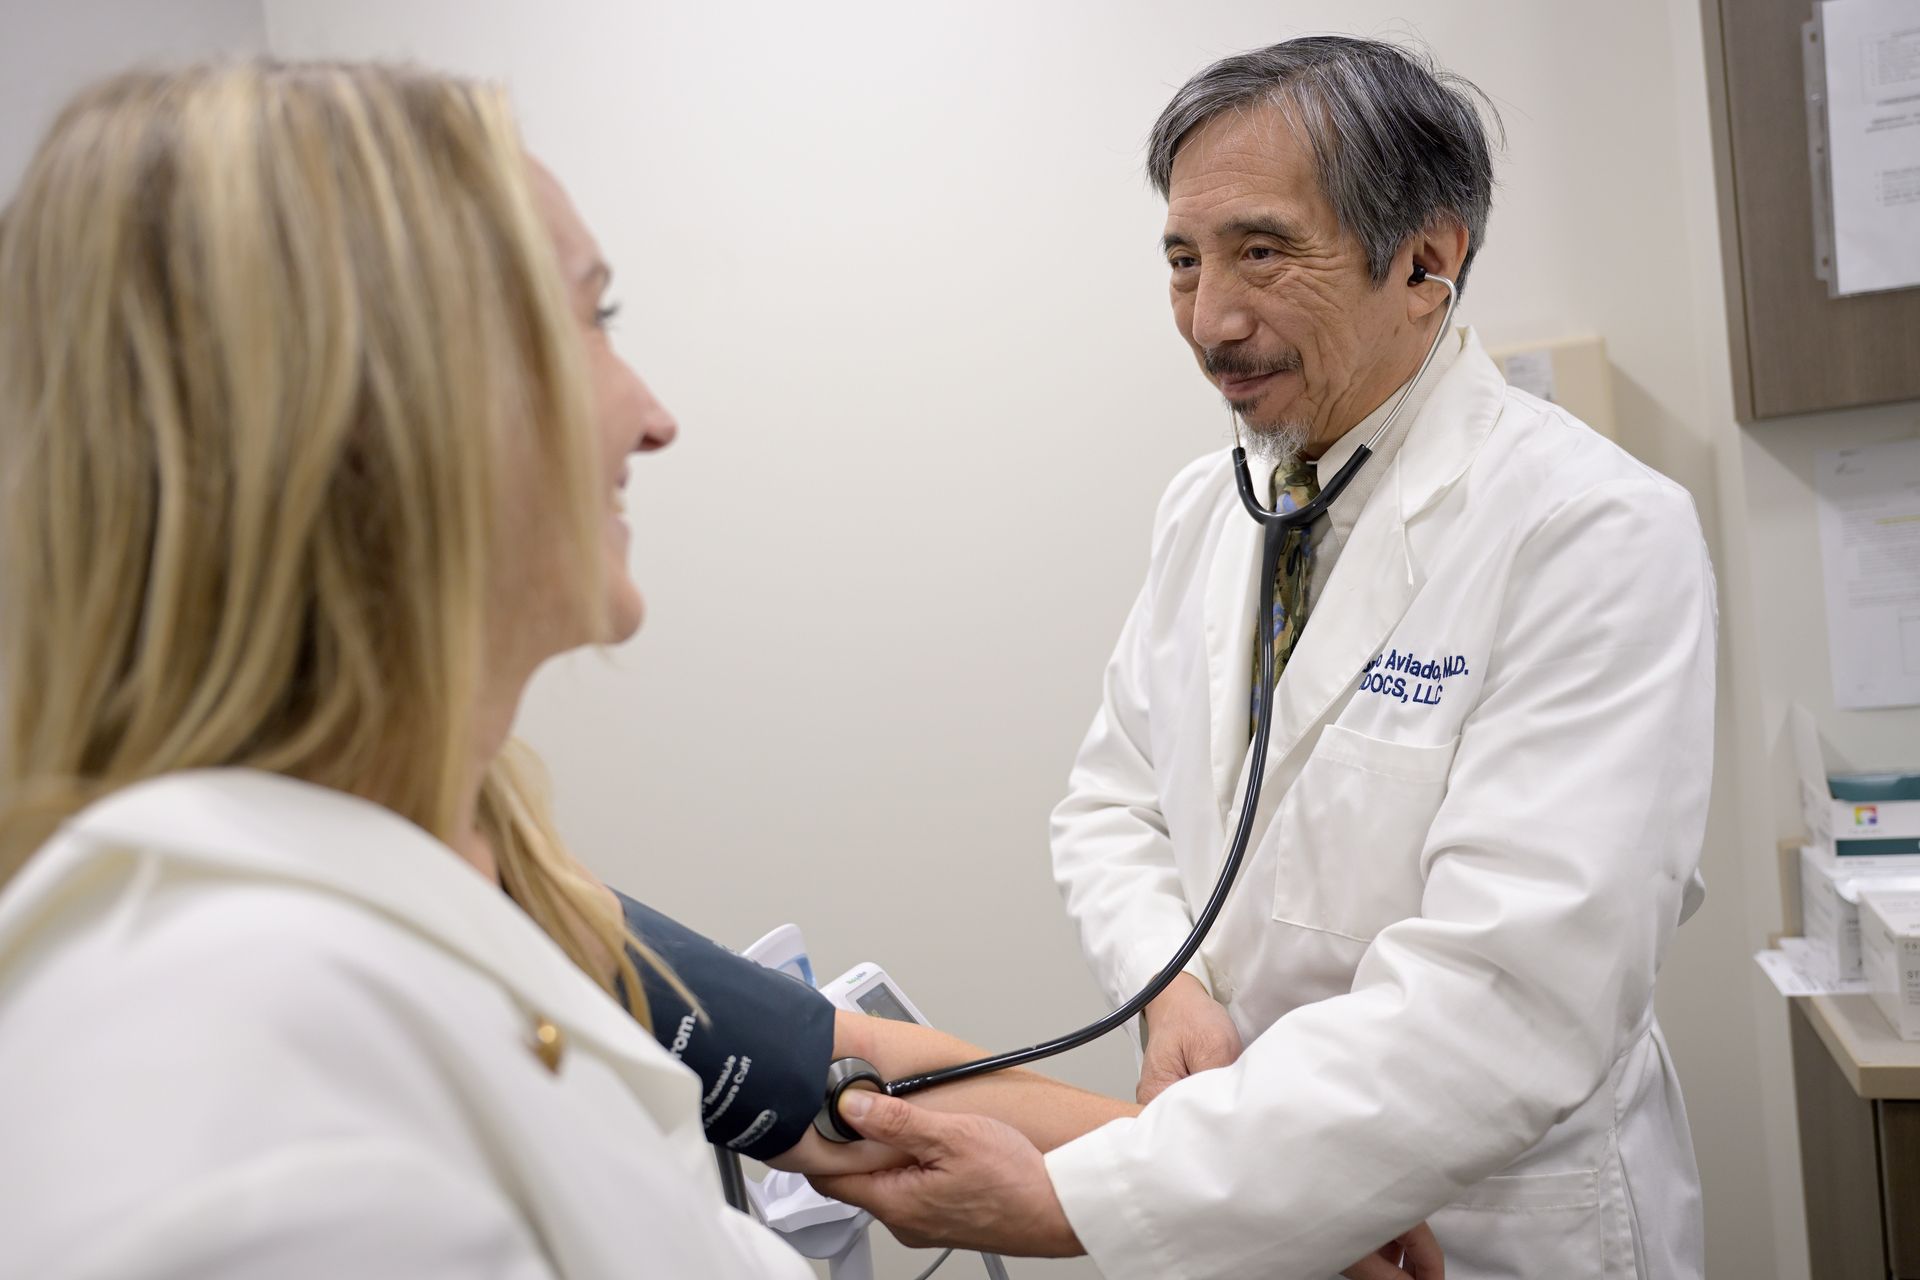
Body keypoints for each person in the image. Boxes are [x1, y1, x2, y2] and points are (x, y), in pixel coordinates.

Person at [0, 60, 1441, 1280]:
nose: (654, 416)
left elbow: (837, 1073)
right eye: (589, 320)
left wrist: (1273, 1201)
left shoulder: (478, 871)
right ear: (369, 406)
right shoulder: (208, 1043)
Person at [815, 35, 1715, 1280]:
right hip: (1238, 1178)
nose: (1208, 320)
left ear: (1427, 259)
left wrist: (1090, 1199)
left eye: (1261, 252)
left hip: (1487, 1225)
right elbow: (1112, 805)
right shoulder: (1211, 504)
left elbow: (1504, 1005)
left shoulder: (1591, 533)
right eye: (1182, 260)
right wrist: (1167, 984)